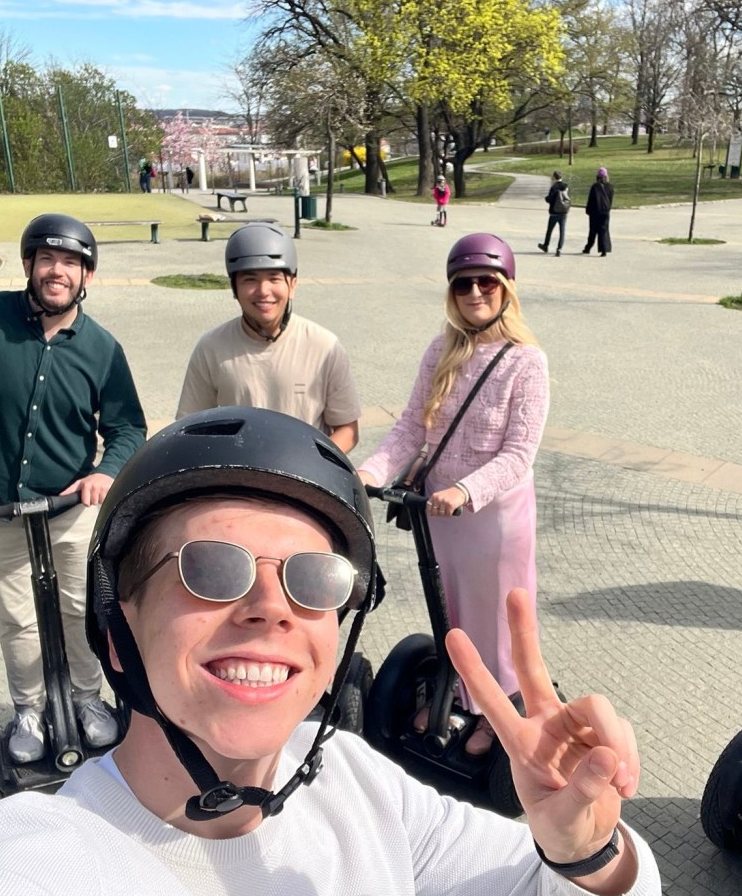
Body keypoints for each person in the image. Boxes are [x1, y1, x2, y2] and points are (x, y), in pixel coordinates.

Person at [0, 407, 662, 896]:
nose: (271, 604)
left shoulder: (360, 786)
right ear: (120, 632)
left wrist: (581, 851)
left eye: (315, 579)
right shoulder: (34, 859)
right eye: (210, 568)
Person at [0, 213, 147, 764]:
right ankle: (28, 708)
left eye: (71, 263)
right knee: (19, 617)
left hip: (70, 504)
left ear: (87, 276)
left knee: (82, 609)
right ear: (29, 265)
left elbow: (128, 426)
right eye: (47, 260)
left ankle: (87, 698)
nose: (58, 272)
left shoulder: (102, 348)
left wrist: (106, 472)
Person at [357, 233, 549, 756]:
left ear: (506, 289)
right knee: (453, 612)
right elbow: (408, 431)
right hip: (438, 515)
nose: (475, 292)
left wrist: (466, 490)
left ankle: (502, 708)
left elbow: (519, 454)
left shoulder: (525, 362)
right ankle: (455, 693)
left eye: (487, 281)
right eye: (464, 283)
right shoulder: (440, 351)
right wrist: (369, 473)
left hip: (494, 519)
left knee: (497, 619)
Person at [175, 222, 361, 453]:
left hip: (303, 473)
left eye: (274, 278)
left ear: (292, 284)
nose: (263, 291)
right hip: (238, 474)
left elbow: (348, 429)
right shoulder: (211, 348)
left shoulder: (325, 347)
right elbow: (189, 429)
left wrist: (312, 463)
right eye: (249, 279)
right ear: (234, 289)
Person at [537, 170, 570, 257]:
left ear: (555, 178)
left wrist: (546, 198)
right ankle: (559, 249)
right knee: (562, 231)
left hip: (554, 213)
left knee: (549, 230)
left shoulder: (554, 187)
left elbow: (550, 199)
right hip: (564, 212)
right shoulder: (566, 186)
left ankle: (546, 245)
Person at [582, 167, 613, 256]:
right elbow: (610, 200)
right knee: (603, 230)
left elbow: (590, 200)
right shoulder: (610, 187)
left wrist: (588, 210)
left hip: (595, 212)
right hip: (605, 212)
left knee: (593, 231)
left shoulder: (595, 187)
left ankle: (588, 248)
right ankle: (604, 250)